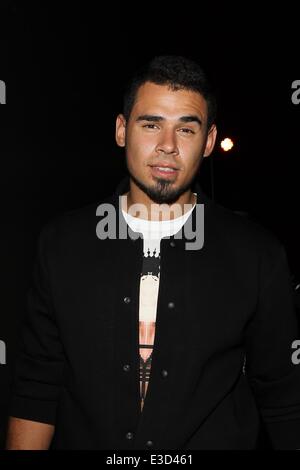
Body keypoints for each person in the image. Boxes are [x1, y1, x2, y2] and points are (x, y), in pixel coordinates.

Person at [6, 55, 300, 450]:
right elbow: (36, 387)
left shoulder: (257, 254)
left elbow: (284, 399)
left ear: (209, 141)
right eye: (151, 124)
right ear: (122, 130)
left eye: (186, 129)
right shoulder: (62, 244)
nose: (167, 146)